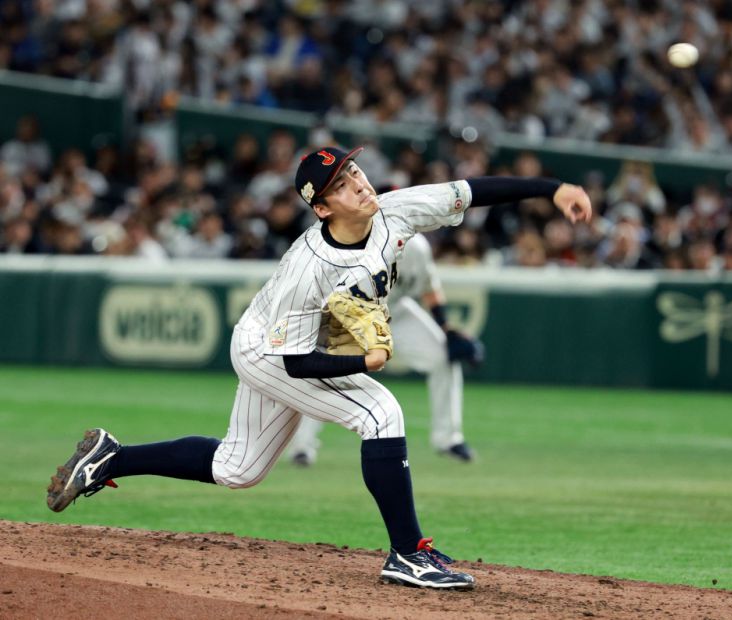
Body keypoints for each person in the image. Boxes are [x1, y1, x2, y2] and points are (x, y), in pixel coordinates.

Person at [47, 145, 592, 589]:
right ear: (324, 209)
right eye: (342, 185)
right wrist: (365, 360)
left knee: (238, 468)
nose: (359, 183)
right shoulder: (308, 269)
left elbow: (472, 191)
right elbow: (298, 362)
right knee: (379, 413)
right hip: (270, 351)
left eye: (354, 171)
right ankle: (408, 553)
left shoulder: (393, 209)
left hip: (288, 344)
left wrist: (553, 190)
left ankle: (112, 457)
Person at [288, 232, 482, 467]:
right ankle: (302, 446)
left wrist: (445, 326)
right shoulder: (356, 239)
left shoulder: (416, 246)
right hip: (352, 316)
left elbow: (429, 287)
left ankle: (448, 439)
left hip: (396, 313)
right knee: (325, 372)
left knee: (442, 355)